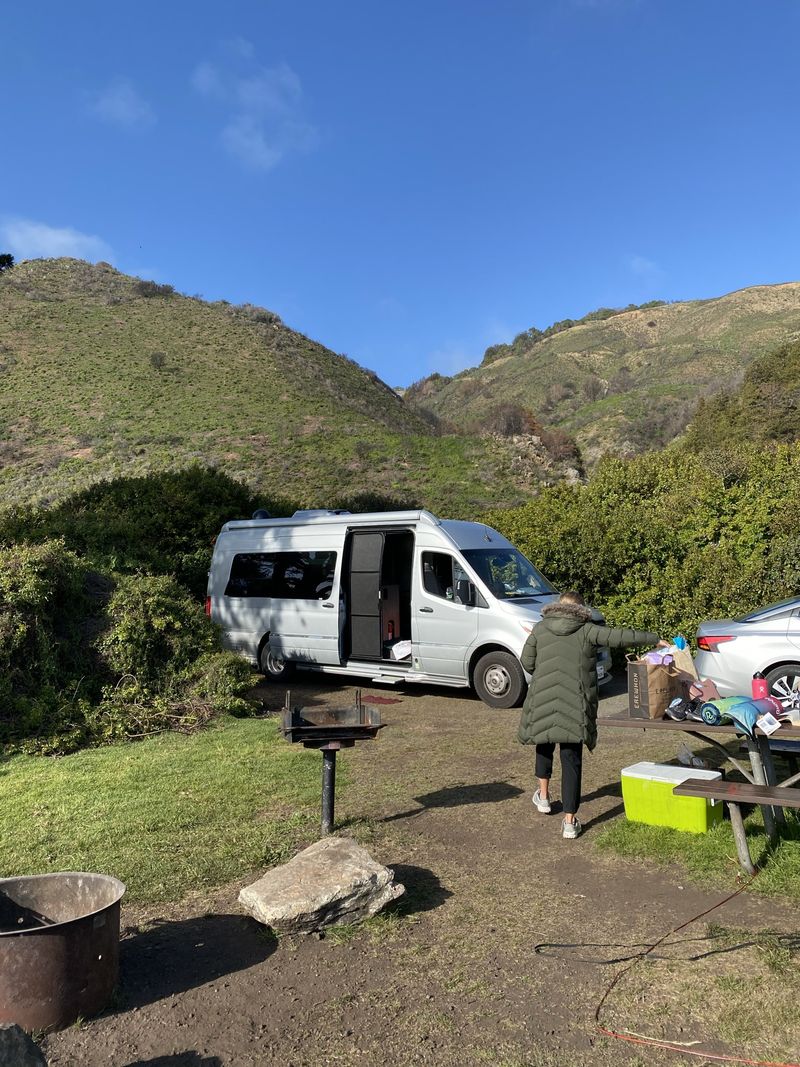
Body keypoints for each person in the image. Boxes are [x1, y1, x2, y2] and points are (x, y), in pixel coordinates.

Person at [518, 591, 665, 840]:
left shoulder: (540, 629)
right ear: (581, 608)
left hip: (542, 697)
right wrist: (655, 639)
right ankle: (569, 821)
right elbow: (620, 637)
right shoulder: (587, 630)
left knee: (543, 745)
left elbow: (527, 662)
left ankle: (543, 797)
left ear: (557, 607)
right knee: (571, 758)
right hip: (575, 703)